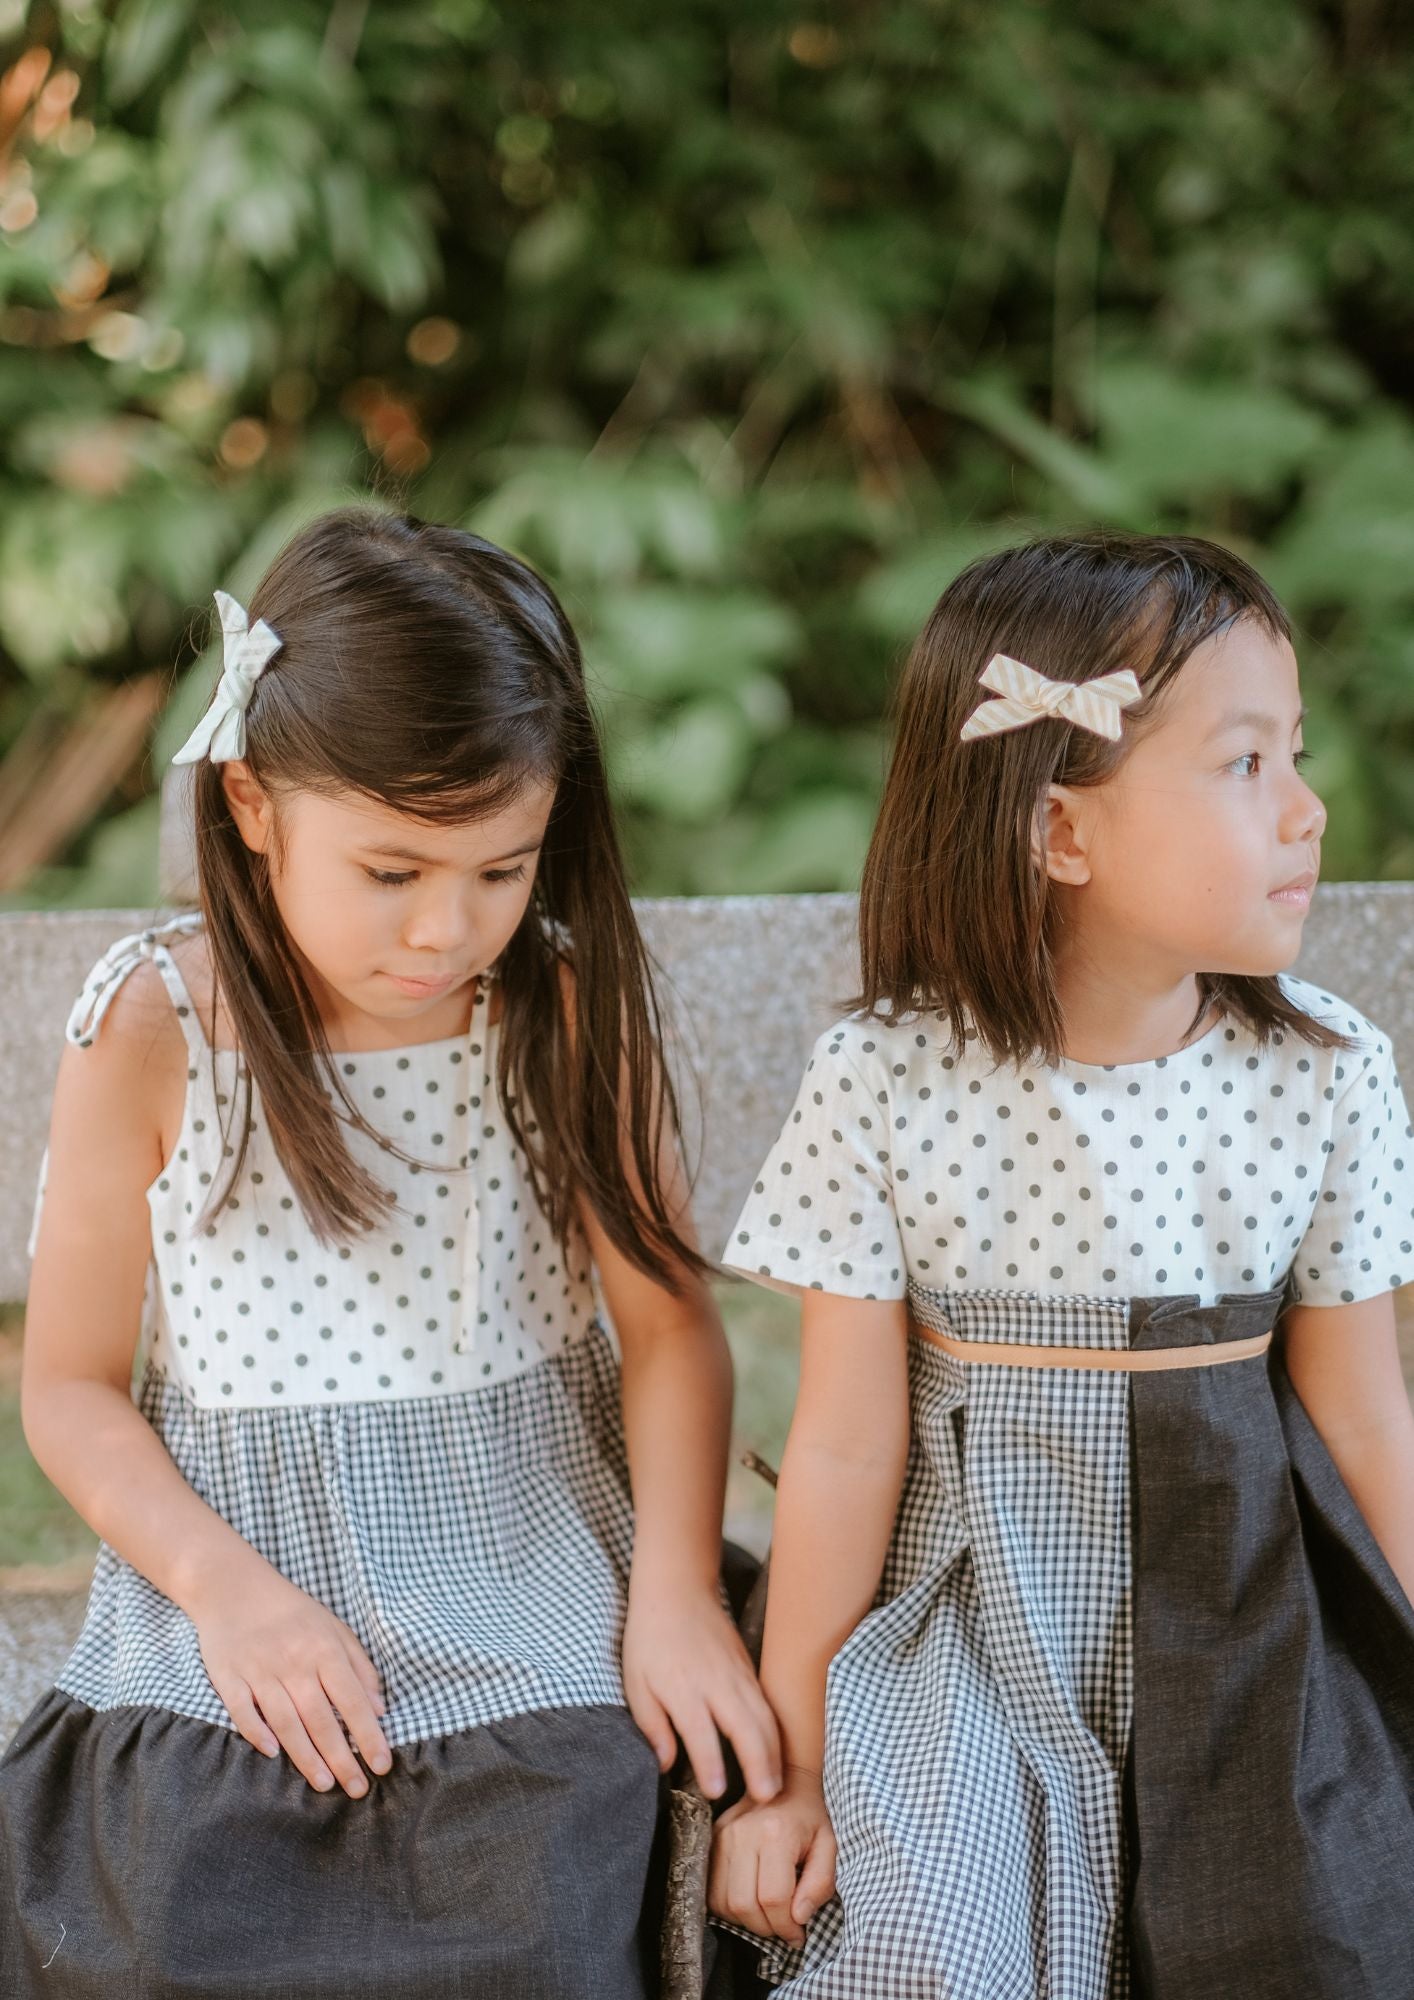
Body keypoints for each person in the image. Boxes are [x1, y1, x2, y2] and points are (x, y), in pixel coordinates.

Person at [0, 508, 780, 1999]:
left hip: (528, 1576)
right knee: (182, 1896)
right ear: (251, 804)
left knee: (551, 1878)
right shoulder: (154, 1029)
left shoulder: (556, 1007)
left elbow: (671, 1330)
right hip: (237, 1582)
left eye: (502, 869)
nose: (447, 928)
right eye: (393, 870)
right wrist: (227, 1595)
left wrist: (675, 1593)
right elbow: (74, 1389)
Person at [709, 532, 1414, 1998]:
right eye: (1242, 765)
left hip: (1244, 1620)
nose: (1305, 810)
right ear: (1059, 833)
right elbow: (841, 1448)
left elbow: (1362, 1417)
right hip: (966, 1630)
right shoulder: (886, 1078)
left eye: (1296, 754)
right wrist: (786, 1775)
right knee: (929, 1959)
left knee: (1309, 1942)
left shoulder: (1329, 1072)